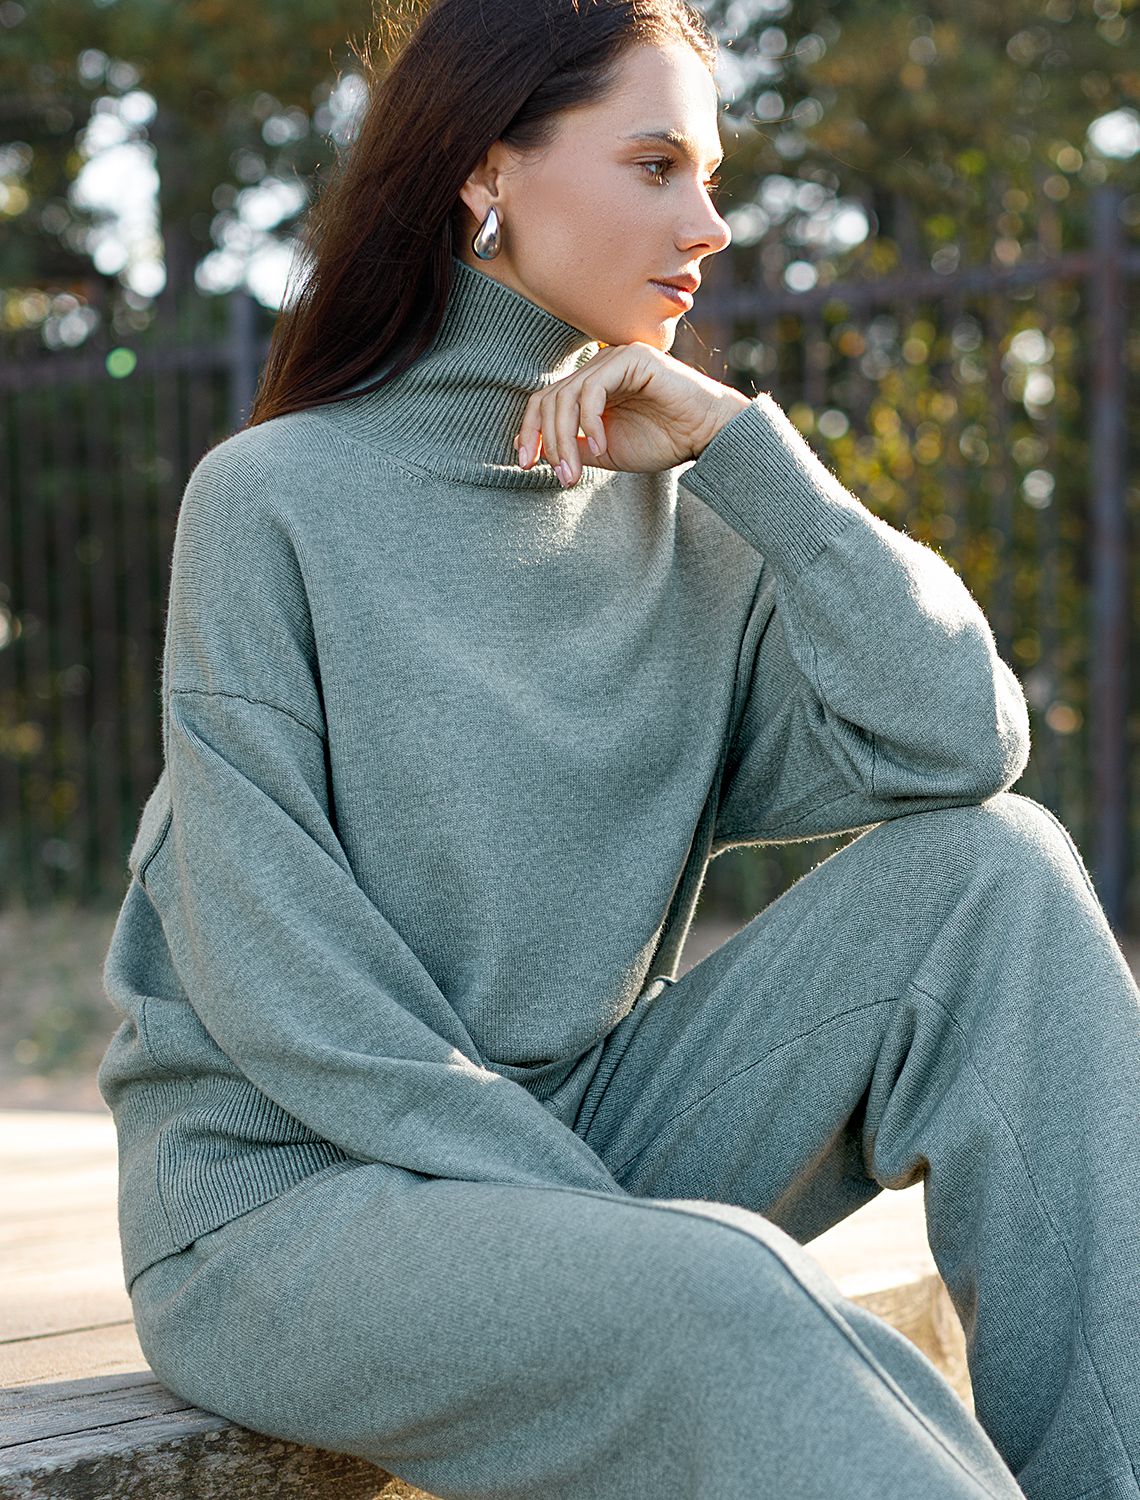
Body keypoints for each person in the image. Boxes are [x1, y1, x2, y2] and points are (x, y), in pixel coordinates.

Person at [98, 1, 1140, 1496]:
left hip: (577, 1144)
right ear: (485, 171)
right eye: (656, 167)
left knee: (1005, 876)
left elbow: (961, 742)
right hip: (291, 1208)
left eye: (711, 176)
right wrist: (615, 1232)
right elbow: (283, 983)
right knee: (726, 1295)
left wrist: (751, 461)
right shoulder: (273, 499)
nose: (708, 225)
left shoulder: (694, 512)